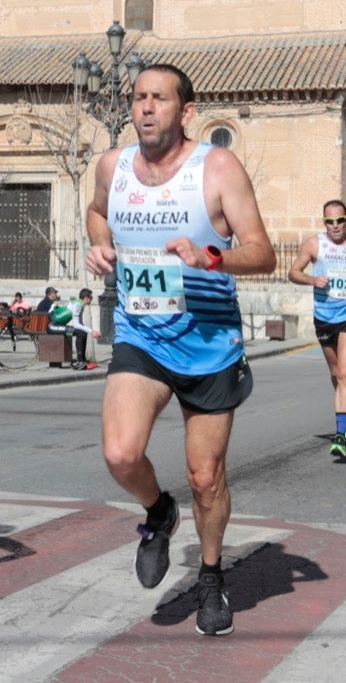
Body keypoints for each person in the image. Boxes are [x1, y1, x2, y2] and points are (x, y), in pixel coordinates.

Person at [85, 63, 274, 637]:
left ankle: (211, 575)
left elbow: (263, 253)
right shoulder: (113, 166)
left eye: (159, 99)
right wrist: (99, 246)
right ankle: (158, 513)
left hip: (210, 343)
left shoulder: (215, 167)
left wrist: (208, 256)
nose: (145, 108)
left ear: (185, 111)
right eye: (138, 98)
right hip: (142, 334)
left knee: (205, 477)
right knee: (120, 454)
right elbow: (97, 212)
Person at [286, 199, 346, 460]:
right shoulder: (315, 244)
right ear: (324, 222)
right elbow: (293, 272)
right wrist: (313, 279)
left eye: (339, 220)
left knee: (345, 373)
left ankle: (339, 435)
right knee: (337, 374)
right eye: (329, 221)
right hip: (324, 317)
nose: (335, 226)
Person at [50, 287, 98, 370]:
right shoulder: (78, 305)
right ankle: (80, 361)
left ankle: (83, 360)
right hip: (53, 327)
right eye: (91, 298)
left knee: (83, 332)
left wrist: (89, 331)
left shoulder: (80, 304)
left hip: (59, 326)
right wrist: (92, 331)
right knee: (80, 332)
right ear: (86, 298)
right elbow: (76, 325)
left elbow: (81, 324)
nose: (92, 299)